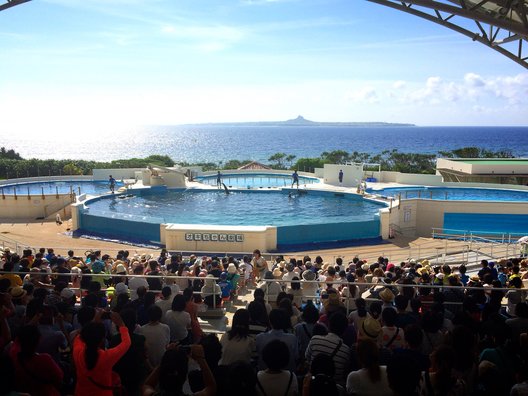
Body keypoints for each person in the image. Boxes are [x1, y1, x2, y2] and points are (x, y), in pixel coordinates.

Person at [73, 311, 131, 396]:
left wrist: (95, 322)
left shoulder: (77, 351)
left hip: (80, 392)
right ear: (102, 340)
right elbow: (127, 343)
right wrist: (121, 324)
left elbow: (82, 335)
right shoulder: (106, 357)